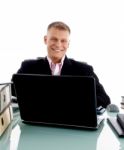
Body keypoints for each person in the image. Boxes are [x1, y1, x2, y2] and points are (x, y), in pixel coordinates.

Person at [12, 21, 111, 108]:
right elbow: (10, 93)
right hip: (36, 121)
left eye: (63, 41)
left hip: (73, 122)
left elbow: (104, 100)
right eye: (54, 39)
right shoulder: (28, 67)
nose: (58, 44)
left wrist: (73, 102)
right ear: (45, 40)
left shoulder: (84, 70)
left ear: (68, 44)